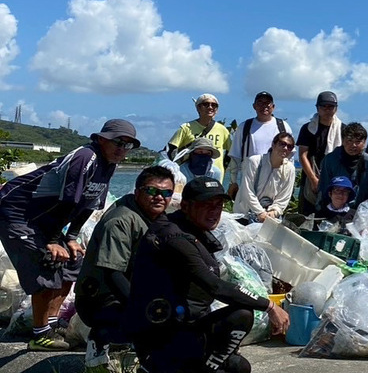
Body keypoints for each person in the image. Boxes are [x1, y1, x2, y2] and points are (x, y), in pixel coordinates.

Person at [0, 119, 139, 351]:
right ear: (102, 139)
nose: (122, 149)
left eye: (128, 145)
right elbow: (68, 200)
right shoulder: (85, 157)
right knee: (48, 264)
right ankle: (40, 335)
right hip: (17, 214)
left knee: (74, 263)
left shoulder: (108, 165)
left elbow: (88, 205)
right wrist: (54, 242)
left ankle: (52, 324)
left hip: (45, 221)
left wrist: (72, 237)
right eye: (117, 142)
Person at [126, 177, 290, 373]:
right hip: (161, 338)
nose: (214, 211)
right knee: (241, 316)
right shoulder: (174, 237)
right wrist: (269, 306)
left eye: (219, 205)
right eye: (206, 205)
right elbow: (215, 286)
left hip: (185, 327)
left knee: (239, 367)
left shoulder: (192, 229)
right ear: (185, 206)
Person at [77, 166, 174, 372]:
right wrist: (144, 310)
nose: (159, 197)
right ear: (137, 191)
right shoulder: (121, 220)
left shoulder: (157, 218)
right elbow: (112, 274)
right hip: (101, 299)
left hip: (132, 288)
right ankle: (101, 344)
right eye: (152, 191)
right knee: (153, 322)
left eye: (166, 193)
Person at [226, 91, 292, 200]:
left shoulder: (283, 127)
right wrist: (233, 182)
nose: (264, 106)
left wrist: (287, 181)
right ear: (254, 106)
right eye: (260, 103)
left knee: (272, 211)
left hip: (276, 178)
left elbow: (290, 156)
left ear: (273, 107)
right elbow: (235, 157)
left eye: (267, 103)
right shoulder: (245, 127)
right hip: (249, 178)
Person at [296, 91, 347, 215]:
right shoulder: (308, 128)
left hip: (334, 179)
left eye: (331, 106)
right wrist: (313, 179)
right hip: (310, 178)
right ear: (317, 107)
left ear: (336, 108)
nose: (327, 109)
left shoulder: (343, 129)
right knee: (307, 216)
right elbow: (303, 155)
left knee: (331, 218)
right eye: (323, 106)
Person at [317, 122, 368, 211]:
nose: (353, 145)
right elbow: (323, 189)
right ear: (343, 141)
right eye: (349, 141)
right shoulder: (330, 160)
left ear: (364, 143)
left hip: (361, 212)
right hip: (333, 209)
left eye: (358, 142)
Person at [232, 132, 297, 222]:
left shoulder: (290, 169)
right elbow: (247, 189)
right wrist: (260, 212)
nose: (285, 148)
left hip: (268, 216)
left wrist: (274, 212)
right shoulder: (255, 161)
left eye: (289, 146)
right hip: (244, 213)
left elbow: (285, 196)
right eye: (282, 144)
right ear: (273, 145)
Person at [166, 94, 232, 182]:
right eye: (206, 104)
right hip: (188, 177)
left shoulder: (222, 130)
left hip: (214, 177)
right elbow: (170, 151)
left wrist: (223, 166)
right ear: (198, 108)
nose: (210, 107)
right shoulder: (186, 128)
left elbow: (231, 152)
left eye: (214, 105)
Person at [158, 136, 222, 185]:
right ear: (192, 154)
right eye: (200, 152)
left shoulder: (216, 172)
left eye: (207, 153)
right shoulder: (180, 171)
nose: (203, 156)